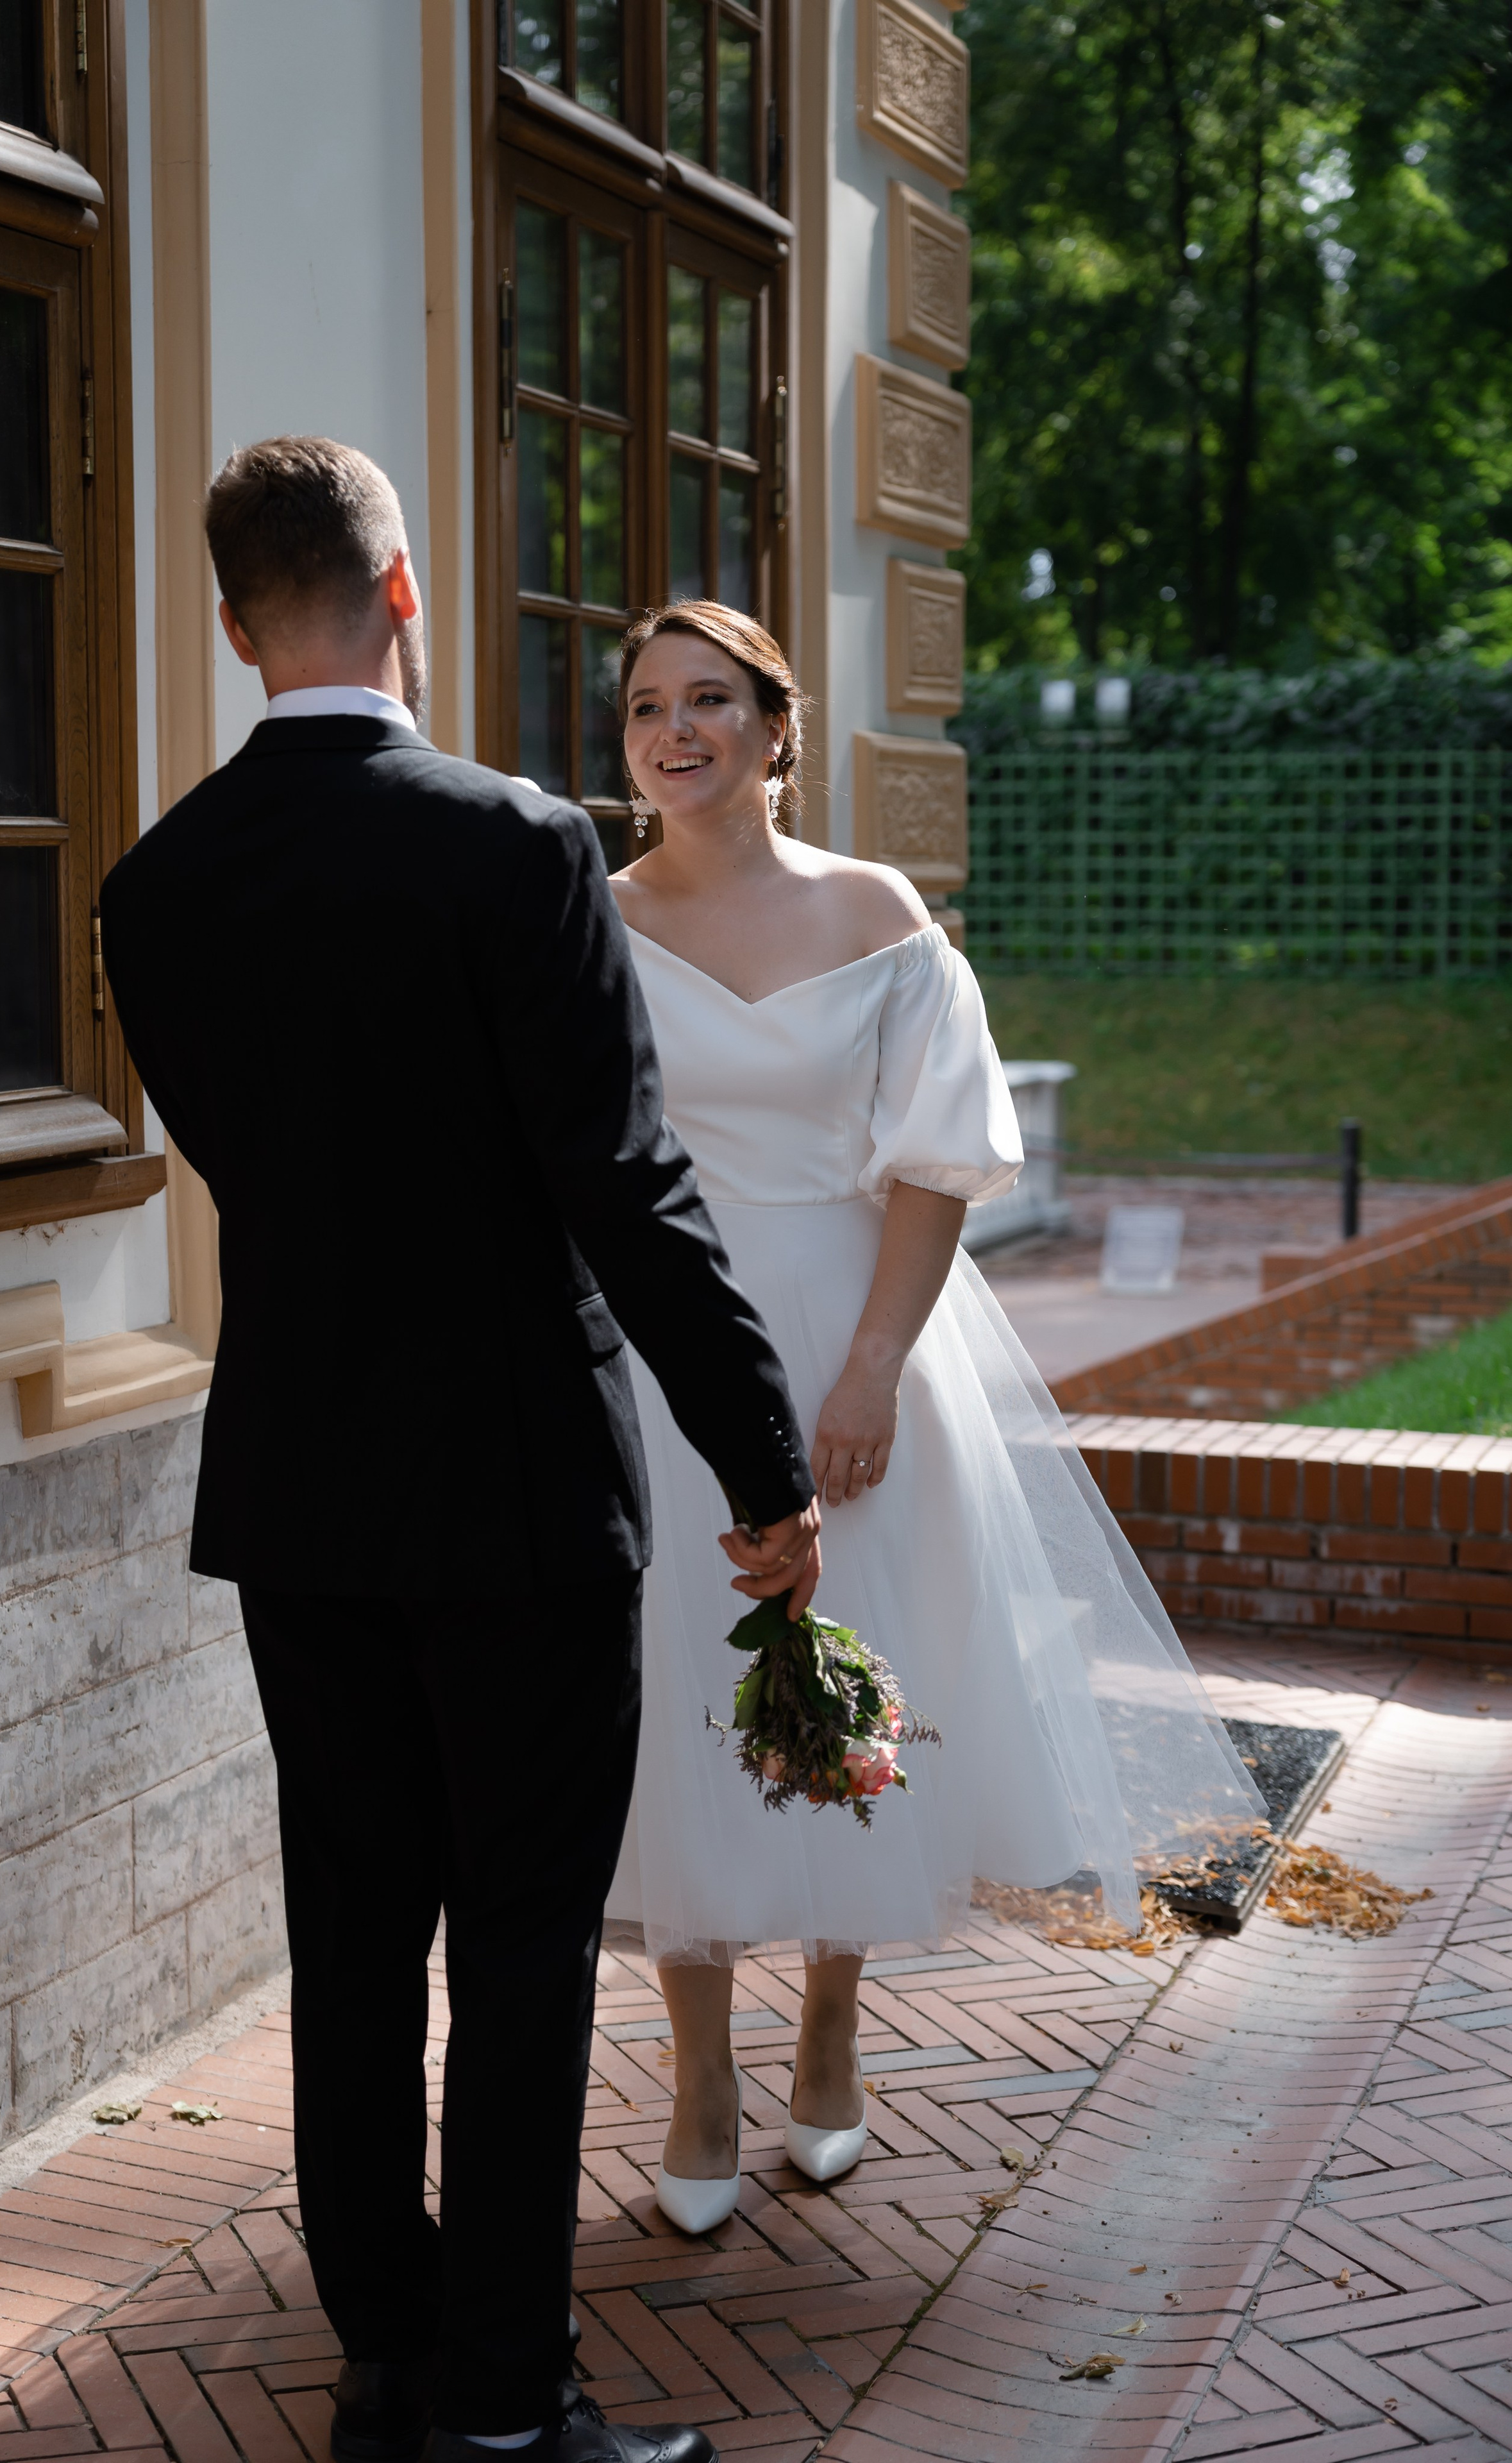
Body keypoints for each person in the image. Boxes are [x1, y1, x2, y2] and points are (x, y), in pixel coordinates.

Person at [99, 443, 825, 2463]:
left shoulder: (152, 888)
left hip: (303, 1496)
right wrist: (764, 1467)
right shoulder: (513, 845)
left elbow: (264, 1167)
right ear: (403, 596)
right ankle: (511, 2412)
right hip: (516, 1496)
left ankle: (394, 2362)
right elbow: (627, 1190)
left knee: (349, 1941)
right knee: (517, 1955)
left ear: (237, 627)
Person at [603, 602, 1263, 2231]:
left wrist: (872, 1365)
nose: (672, 732)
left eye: (707, 702)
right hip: (658, 1349)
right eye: (641, 708)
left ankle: (830, 2022)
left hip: (849, 1328)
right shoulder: (588, 919)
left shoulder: (874, 912)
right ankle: (698, 2069)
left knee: (857, 1677)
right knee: (670, 1692)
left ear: (775, 728)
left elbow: (931, 1158)